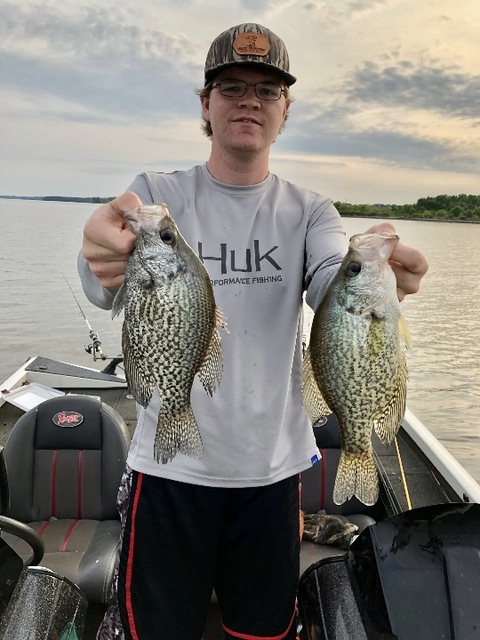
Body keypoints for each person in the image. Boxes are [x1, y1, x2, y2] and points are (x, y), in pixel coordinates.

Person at [78, 23, 428, 640]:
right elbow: (106, 255)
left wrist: (375, 281)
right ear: (205, 106)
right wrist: (98, 255)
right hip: (168, 472)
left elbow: (327, 277)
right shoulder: (158, 193)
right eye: (232, 86)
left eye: (266, 91)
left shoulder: (311, 209)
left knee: (262, 633)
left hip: (272, 474)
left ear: (285, 110)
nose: (249, 101)